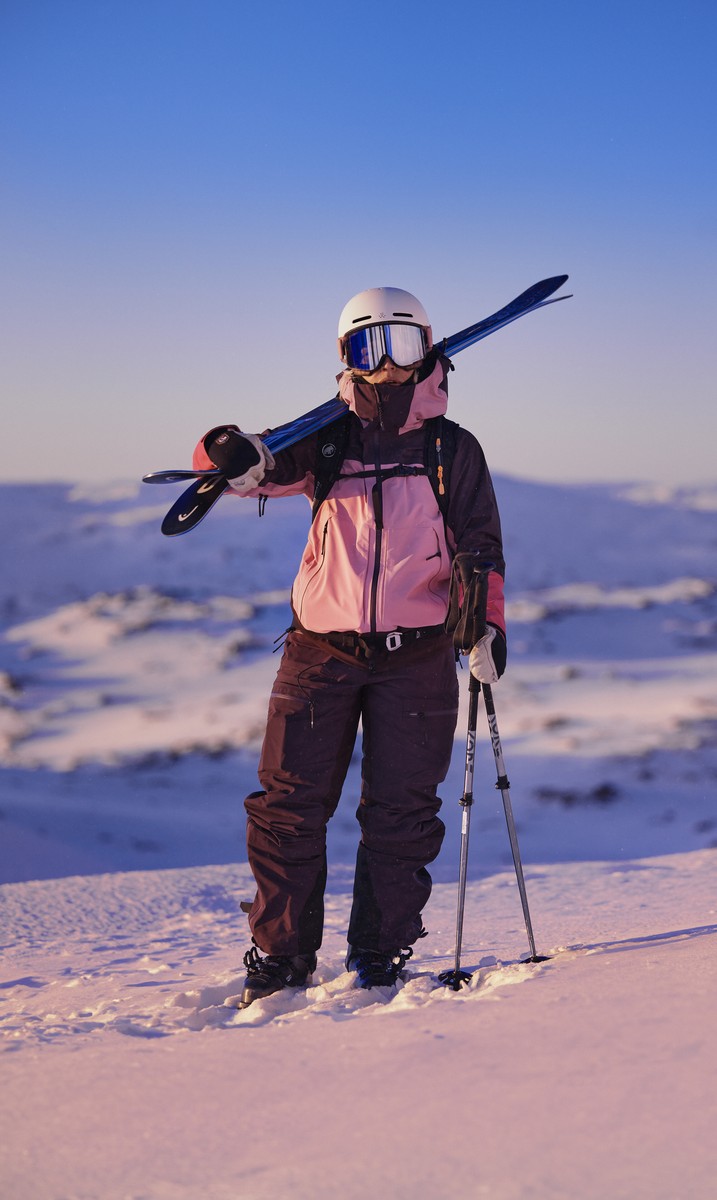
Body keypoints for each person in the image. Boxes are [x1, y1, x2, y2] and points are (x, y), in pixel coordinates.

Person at [192, 287, 507, 1005]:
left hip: (418, 654)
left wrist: (487, 627)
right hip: (320, 652)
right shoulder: (328, 438)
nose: (389, 364)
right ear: (347, 356)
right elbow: (248, 468)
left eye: (403, 343)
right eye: (370, 347)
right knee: (287, 808)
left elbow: (482, 546)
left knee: (402, 813)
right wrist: (225, 451)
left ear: (428, 346)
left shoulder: (451, 448)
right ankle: (281, 957)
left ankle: (379, 954)